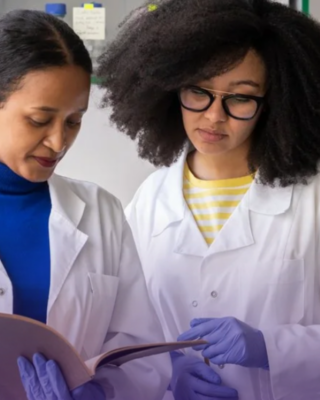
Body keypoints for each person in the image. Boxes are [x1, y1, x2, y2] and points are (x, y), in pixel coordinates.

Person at [0, 9, 171, 400]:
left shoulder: (101, 212)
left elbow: (141, 357)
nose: (59, 142)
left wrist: (100, 394)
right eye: (40, 120)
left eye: (73, 121)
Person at [97, 0, 320, 399]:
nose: (214, 116)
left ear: (275, 102)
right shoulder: (149, 201)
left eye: (240, 98)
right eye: (199, 91)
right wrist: (168, 370)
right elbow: (126, 329)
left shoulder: (312, 198)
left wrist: (270, 348)